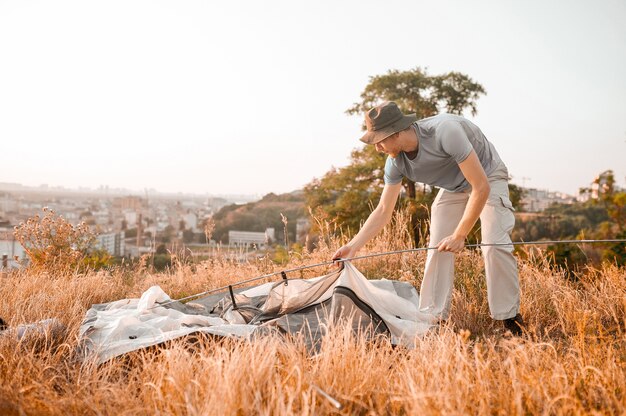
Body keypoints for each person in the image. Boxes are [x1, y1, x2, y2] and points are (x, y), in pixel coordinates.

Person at [332, 101, 524, 335]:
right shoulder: (395, 162)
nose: (378, 147)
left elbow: (480, 187)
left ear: (397, 131)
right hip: (453, 186)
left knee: (493, 244)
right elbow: (383, 210)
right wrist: (353, 246)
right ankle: (434, 317)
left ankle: (509, 318)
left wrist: (460, 234)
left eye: (380, 139)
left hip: (487, 176)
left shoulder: (445, 132)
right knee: (438, 246)